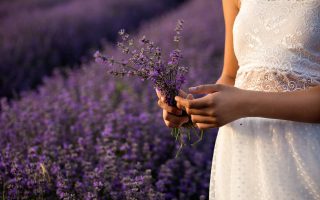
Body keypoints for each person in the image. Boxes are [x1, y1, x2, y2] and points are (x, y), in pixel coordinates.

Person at [156, 0, 320, 199]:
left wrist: (243, 105)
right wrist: (197, 108)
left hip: (304, 151)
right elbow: (231, 76)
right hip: (243, 154)